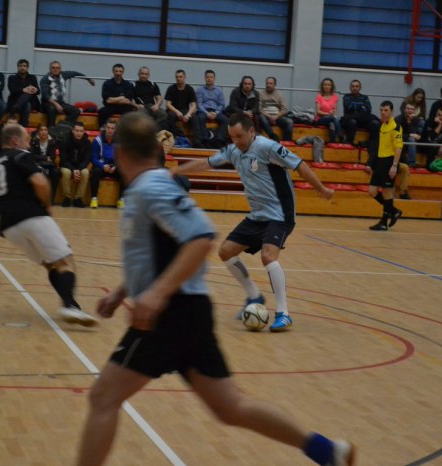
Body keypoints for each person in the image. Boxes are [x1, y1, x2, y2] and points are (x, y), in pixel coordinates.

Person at [76, 111, 354, 466]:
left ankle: (279, 310)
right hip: (188, 313)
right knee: (230, 407)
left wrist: (158, 293)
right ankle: (327, 451)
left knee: (103, 397)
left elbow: (201, 237)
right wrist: (120, 293)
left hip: (168, 315)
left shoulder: (152, 188)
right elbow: (151, 257)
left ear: (119, 152)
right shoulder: (146, 188)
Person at [173, 113, 335, 331]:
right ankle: (254, 296)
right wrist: (177, 170)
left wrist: (321, 189)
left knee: (268, 256)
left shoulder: (268, 147)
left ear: (251, 132)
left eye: (239, 136)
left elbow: (299, 165)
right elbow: (206, 163)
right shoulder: (233, 150)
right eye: (232, 137)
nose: (236, 141)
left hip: (280, 214)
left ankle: (283, 313)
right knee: (226, 251)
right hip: (257, 215)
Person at [0, 124, 98, 327]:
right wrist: (47, 205)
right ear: (15, 141)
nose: (29, 144)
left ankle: (71, 305)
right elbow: (40, 182)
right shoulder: (20, 155)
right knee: (66, 261)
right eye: (26, 140)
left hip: (9, 226)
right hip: (32, 217)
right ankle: (70, 306)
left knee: (50, 263)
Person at [366, 101, 403, 231]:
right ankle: (393, 210)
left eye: (386, 110)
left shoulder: (395, 126)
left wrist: (394, 165)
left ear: (391, 111)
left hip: (389, 162)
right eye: (381, 110)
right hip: (380, 162)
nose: (383, 112)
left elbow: (398, 148)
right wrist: (372, 163)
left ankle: (383, 221)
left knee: (387, 192)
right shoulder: (382, 126)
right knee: (372, 191)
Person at [40, 60, 94, 128]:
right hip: (48, 103)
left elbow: (75, 73)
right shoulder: (45, 79)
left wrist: (88, 79)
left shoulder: (63, 75)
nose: (55, 69)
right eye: (53, 68)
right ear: (50, 69)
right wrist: (56, 104)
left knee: (76, 111)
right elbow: (45, 96)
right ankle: (51, 127)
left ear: (60, 69)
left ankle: (62, 127)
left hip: (60, 102)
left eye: (57, 68)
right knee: (52, 108)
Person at [90, 119, 124, 209]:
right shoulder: (97, 140)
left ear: (115, 130)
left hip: (114, 167)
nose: (110, 130)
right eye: (108, 128)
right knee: (95, 172)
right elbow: (94, 159)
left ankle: (121, 199)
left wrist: (116, 166)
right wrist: (103, 166)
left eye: (112, 128)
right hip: (101, 166)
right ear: (105, 128)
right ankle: (94, 198)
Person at [341, 80, 379, 158]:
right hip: (350, 120)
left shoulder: (365, 97)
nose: (355, 88)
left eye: (357, 86)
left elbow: (368, 109)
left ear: (360, 88)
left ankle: (370, 143)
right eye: (353, 86)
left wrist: (356, 108)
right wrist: (361, 107)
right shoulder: (346, 97)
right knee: (353, 121)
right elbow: (349, 106)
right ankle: (349, 142)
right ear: (350, 88)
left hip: (362, 121)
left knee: (375, 123)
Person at [164, 69, 203, 147]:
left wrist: (188, 115)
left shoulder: (189, 89)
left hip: (185, 110)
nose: (178, 78)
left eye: (180, 77)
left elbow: (193, 105)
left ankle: (197, 142)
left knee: (195, 118)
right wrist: (176, 112)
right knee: (170, 116)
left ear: (184, 77)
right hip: (173, 110)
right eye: (177, 77)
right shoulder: (171, 88)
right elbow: (168, 104)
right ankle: (173, 139)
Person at [58, 121, 91, 207]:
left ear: (83, 132)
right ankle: (67, 198)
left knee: (85, 172)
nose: (79, 133)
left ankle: (78, 199)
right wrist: (73, 169)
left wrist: (78, 169)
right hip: (67, 166)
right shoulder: (65, 141)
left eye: (81, 131)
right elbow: (64, 160)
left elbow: (87, 160)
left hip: (80, 167)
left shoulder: (87, 142)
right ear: (73, 131)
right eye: (77, 130)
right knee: (66, 172)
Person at [195, 69, 228, 147]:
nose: (209, 79)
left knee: (225, 120)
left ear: (214, 78)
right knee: (200, 118)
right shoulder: (199, 90)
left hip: (215, 111)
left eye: (211, 77)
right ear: (205, 78)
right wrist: (207, 113)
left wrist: (216, 113)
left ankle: (219, 140)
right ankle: (205, 140)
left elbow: (221, 104)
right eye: (207, 77)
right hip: (203, 111)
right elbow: (199, 104)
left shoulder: (219, 90)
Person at [29, 123, 60, 202]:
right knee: (38, 170)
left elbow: (52, 157)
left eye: (45, 130)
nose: (44, 132)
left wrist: (41, 158)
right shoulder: (33, 141)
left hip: (49, 165)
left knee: (56, 173)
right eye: (41, 130)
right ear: (38, 131)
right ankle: (37, 198)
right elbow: (32, 156)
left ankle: (51, 198)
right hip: (37, 164)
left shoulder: (52, 141)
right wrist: (45, 158)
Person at [258, 76, 293, 142]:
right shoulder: (261, 94)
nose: (268, 85)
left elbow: (284, 109)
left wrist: (276, 117)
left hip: (277, 117)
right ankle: (273, 136)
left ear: (274, 85)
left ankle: (287, 142)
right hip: (265, 117)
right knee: (261, 117)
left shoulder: (279, 94)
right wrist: (269, 117)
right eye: (267, 83)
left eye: (270, 83)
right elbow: (259, 109)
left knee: (289, 122)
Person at [7, 59, 40, 126]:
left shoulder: (32, 77)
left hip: (31, 102)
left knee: (28, 94)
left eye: (24, 66)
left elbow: (38, 91)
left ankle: (14, 109)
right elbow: (12, 90)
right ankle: (23, 126)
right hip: (15, 100)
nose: (22, 68)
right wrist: (23, 90)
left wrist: (35, 90)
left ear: (27, 68)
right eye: (20, 66)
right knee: (27, 104)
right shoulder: (12, 77)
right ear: (18, 67)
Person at [314, 77, 344, 144]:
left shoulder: (335, 97)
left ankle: (332, 142)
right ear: (322, 86)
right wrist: (328, 113)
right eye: (325, 85)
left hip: (330, 118)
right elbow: (318, 112)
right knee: (334, 119)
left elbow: (335, 111)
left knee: (332, 123)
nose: (326, 86)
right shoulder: (319, 96)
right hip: (320, 119)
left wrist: (332, 113)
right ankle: (340, 136)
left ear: (331, 86)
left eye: (328, 85)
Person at [395, 102, 422, 168]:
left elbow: (416, 134)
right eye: (408, 109)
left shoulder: (416, 119)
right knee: (411, 139)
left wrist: (410, 122)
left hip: (410, 141)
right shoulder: (398, 119)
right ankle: (412, 163)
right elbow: (397, 135)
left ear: (414, 111)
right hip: (399, 140)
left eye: (412, 109)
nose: (410, 110)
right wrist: (411, 135)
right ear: (404, 110)